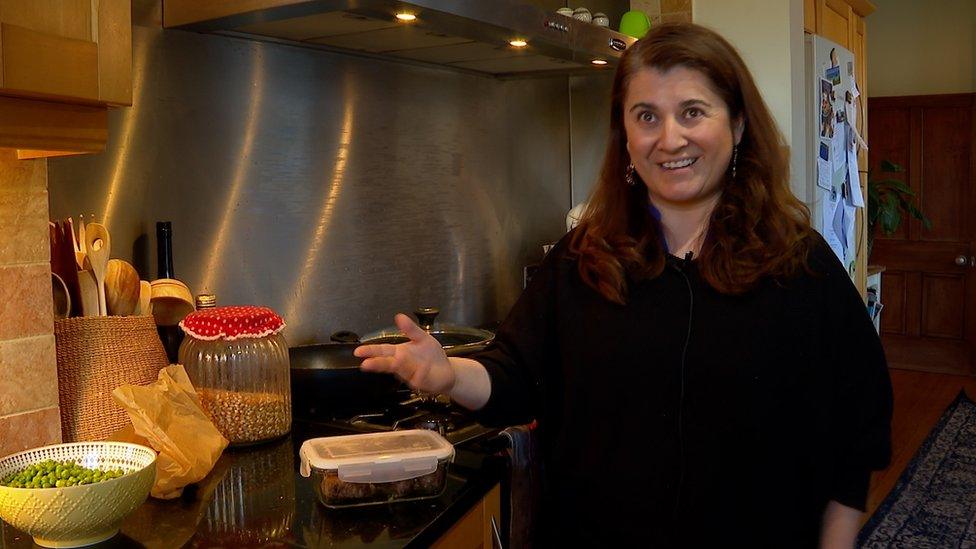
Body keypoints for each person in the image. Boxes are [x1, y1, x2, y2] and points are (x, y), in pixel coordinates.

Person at [356, 22, 892, 548]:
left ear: (738, 124)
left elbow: (859, 426)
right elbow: (515, 376)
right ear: (626, 137)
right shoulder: (584, 258)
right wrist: (449, 374)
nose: (670, 138)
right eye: (647, 116)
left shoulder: (799, 264)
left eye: (692, 112)